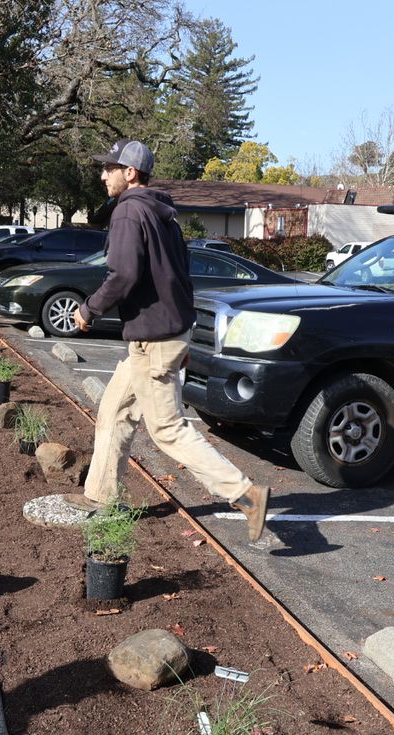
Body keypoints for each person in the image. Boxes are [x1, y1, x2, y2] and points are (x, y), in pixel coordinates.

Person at [65, 138, 270, 543]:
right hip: (162, 336)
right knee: (114, 411)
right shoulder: (165, 217)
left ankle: (244, 494)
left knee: (168, 429)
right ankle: (101, 496)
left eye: (110, 167)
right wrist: (185, 335)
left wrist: (89, 309)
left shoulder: (128, 213)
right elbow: (180, 279)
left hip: (153, 341)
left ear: (131, 173)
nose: (103, 174)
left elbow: (122, 275)